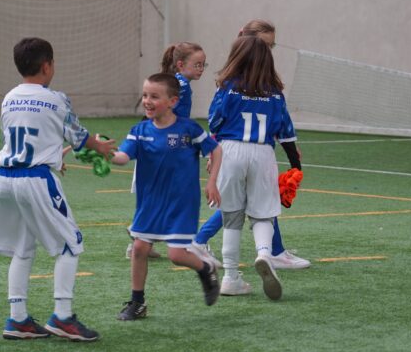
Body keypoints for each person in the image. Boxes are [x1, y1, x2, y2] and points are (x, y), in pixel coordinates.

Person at [0, 37, 116, 342]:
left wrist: (52, 154)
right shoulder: (57, 99)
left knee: (22, 247)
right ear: (47, 66)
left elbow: (21, 134)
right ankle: (63, 316)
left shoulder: (8, 97)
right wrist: (99, 146)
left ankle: (18, 319)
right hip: (37, 179)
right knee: (70, 244)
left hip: (5, 178)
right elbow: (78, 137)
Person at [195, 20, 309, 297]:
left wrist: (213, 154)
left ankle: (231, 277)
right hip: (262, 153)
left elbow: (215, 122)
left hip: (230, 150)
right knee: (263, 215)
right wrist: (296, 165)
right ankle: (265, 254)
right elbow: (286, 132)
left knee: (231, 217)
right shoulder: (275, 93)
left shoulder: (227, 87)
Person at [110, 72, 223, 321]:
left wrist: (212, 181)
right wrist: (103, 152)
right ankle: (137, 303)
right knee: (139, 248)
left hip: (181, 203)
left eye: (154, 96)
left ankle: (205, 268)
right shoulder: (139, 131)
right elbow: (122, 158)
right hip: (150, 202)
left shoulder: (188, 129)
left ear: (172, 101)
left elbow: (216, 150)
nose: (147, 101)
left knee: (176, 255)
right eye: (145, 95)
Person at [125, 41, 209, 261]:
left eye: (203, 65)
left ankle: (140, 242)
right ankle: (186, 245)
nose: (201, 69)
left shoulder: (177, 83)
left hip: (158, 146)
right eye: (197, 64)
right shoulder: (181, 87)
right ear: (180, 64)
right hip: (162, 150)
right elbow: (169, 119)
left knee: (158, 196)